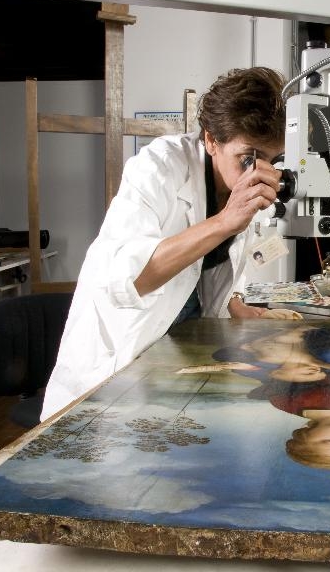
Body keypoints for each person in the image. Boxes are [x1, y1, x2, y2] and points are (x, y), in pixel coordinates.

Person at [40, 67, 290, 422]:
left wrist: (233, 303)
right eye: (249, 159)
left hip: (180, 351)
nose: (263, 172)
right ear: (211, 140)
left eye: (273, 160)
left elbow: (212, 267)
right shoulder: (158, 167)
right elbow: (128, 279)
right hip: (121, 357)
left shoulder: (236, 181)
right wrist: (224, 221)